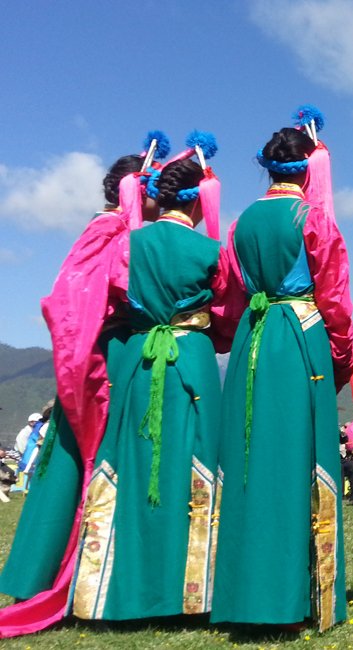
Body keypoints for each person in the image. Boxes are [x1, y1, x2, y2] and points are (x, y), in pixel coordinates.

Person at [0, 133, 168, 636]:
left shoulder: (119, 229)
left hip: (103, 354)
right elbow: (68, 300)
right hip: (101, 359)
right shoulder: (109, 229)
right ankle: (67, 578)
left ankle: (93, 576)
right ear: (136, 190)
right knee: (83, 464)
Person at [68, 131, 239, 622]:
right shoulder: (211, 253)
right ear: (200, 200)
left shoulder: (129, 243)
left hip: (139, 357)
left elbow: (111, 299)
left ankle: (113, 591)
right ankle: (193, 596)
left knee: (129, 462)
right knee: (198, 466)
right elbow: (226, 311)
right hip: (194, 358)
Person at [211, 107, 353, 631]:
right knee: (301, 459)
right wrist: (341, 359)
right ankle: (300, 594)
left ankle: (242, 595)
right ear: (308, 169)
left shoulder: (240, 223)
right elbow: (335, 297)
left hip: (254, 337)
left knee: (249, 460)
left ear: (266, 168)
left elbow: (226, 297)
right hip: (301, 336)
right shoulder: (313, 219)